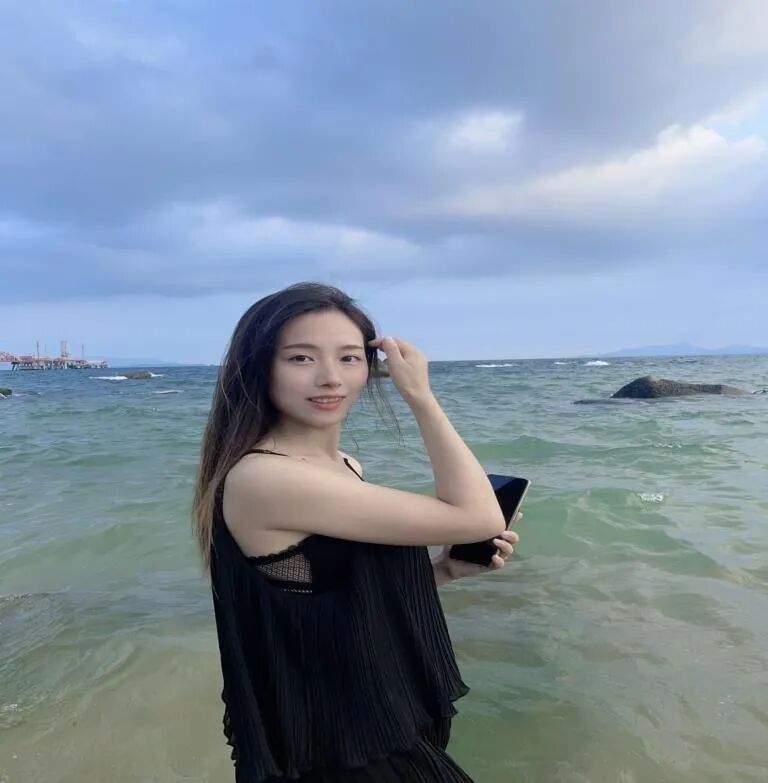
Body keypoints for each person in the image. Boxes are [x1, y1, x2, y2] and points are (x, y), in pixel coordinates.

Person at [192, 281, 520, 782]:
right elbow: (480, 516)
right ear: (259, 367)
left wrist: (444, 570)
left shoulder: (342, 465)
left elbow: (322, 598)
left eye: (349, 358)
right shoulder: (266, 478)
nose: (330, 378)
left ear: (370, 365)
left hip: (362, 725)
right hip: (334, 748)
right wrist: (420, 396)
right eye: (301, 358)